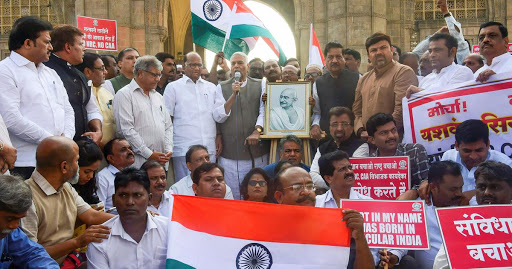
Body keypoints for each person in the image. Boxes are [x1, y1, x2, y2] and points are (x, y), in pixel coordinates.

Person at [0, 17, 74, 179]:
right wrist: (52, 141)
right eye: (46, 42)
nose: (51, 47)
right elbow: (11, 118)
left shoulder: (50, 73)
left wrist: (66, 139)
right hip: (26, 162)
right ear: (27, 43)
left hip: (57, 158)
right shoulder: (5, 71)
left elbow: (67, 110)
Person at [21, 136, 113, 264]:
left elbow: (92, 216)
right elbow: (29, 255)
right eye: (77, 161)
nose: (78, 166)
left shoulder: (65, 187)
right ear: (64, 167)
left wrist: (136, 219)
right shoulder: (26, 198)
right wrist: (77, 242)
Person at [274, 166, 375, 269]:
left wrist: (360, 237)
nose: (306, 192)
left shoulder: (338, 226)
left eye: (310, 186)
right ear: (279, 197)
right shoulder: (267, 231)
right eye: (297, 187)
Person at [382, 161, 464, 269]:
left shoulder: (466, 207)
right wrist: (394, 256)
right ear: (433, 187)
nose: (459, 193)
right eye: (453, 189)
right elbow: (405, 237)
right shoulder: (416, 208)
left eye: (460, 188)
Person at [432, 160, 512, 269]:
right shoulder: (464, 224)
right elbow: (440, 266)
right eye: (482, 187)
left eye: (495, 187)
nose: (487, 192)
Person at [86, 168, 169, 268]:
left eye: (137, 195)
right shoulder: (100, 240)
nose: (130, 202)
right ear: (113, 200)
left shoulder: (169, 230)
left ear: (149, 199)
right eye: (123, 195)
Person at [164, 52, 228, 180]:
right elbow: (167, 119)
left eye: (199, 65)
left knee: (208, 184)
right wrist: (168, 145)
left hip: (208, 147)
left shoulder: (211, 88)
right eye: (192, 65)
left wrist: (219, 135)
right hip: (183, 148)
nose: (197, 68)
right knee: (185, 187)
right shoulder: (173, 88)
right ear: (184, 65)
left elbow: (216, 115)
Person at [217, 52, 269, 200]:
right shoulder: (221, 87)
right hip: (230, 155)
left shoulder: (261, 84)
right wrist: (233, 95)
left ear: (247, 66)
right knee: (233, 196)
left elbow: (264, 110)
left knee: (256, 195)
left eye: (240, 63)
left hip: (256, 153)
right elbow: (218, 116)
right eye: (233, 63)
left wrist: (257, 130)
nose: (236, 66)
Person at [44, 25, 103, 144]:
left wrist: (97, 130)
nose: (84, 49)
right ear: (68, 47)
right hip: (57, 145)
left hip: (81, 146)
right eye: (81, 44)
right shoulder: (46, 72)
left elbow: (91, 108)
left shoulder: (80, 75)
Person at [353, 33, 418, 138]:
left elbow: (401, 110)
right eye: (374, 50)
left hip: (393, 141)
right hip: (367, 141)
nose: (379, 52)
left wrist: (382, 135)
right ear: (368, 55)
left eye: (383, 48)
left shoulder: (403, 72)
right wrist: (361, 131)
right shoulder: (364, 79)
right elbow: (357, 111)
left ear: (391, 50)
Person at [113, 55, 173, 169]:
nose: (158, 79)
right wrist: (149, 154)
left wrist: (168, 149)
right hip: (137, 164)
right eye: (154, 75)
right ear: (140, 73)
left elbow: (168, 126)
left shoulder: (158, 97)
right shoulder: (124, 95)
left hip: (161, 163)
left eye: (159, 75)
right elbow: (126, 130)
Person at [0, 175, 59, 268]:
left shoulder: (11, 233)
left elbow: (31, 253)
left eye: (19, 219)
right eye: (10, 219)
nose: (15, 225)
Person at [310, 42, 360, 140]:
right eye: (330, 57)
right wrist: (315, 125)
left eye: (338, 57)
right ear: (325, 59)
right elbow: (317, 112)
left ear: (343, 59)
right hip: (327, 137)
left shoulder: (358, 79)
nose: (334, 60)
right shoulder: (318, 83)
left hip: (353, 137)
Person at [310, 107, 368, 189]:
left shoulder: (361, 146)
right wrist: (334, 185)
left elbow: (353, 176)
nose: (339, 128)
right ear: (329, 128)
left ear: (352, 127)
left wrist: (331, 182)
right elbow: (313, 175)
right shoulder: (323, 147)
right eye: (335, 124)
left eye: (344, 124)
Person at [366, 113, 429, 187]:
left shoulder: (415, 151)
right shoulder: (368, 164)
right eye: (383, 133)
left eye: (394, 130)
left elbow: (425, 185)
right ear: (372, 140)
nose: (391, 136)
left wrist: (413, 192)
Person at [406, 33, 474, 97]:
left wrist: (421, 93)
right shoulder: (426, 80)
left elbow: (450, 99)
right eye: (430, 51)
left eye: (437, 50)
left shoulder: (463, 72)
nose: (432, 55)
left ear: (452, 51)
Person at [76, 52, 116, 146]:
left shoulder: (108, 93)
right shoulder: (81, 94)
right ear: (88, 72)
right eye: (102, 69)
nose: (105, 72)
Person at [413, 0, 470, 66]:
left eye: (438, 50)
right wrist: (437, 35)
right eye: (432, 51)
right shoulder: (432, 74)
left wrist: (446, 12)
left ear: (452, 51)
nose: (434, 54)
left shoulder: (462, 66)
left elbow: (459, 41)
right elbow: (415, 55)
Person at [96, 138, 135, 212]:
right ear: (111, 158)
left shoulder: (135, 174)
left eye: (130, 148)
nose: (130, 152)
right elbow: (100, 211)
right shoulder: (102, 177)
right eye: (123, 150)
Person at [72, 138, 103, 205]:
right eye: (86, 171)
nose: (91, 176)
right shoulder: (65, 189)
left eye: (94, 171)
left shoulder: (88, 188)